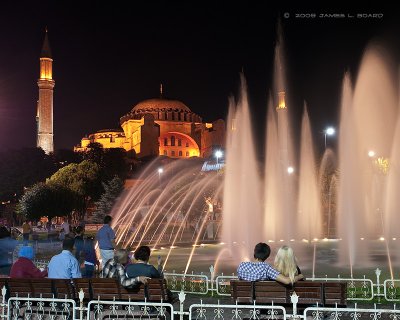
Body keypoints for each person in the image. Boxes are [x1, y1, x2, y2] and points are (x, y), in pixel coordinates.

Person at [237, 242, 303, 285]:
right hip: (262, 301)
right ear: (267, 256)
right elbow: (287, 281)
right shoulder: (266, 269)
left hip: (241, 301)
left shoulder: (241, 266)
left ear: (254, 252)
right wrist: (300, 276)